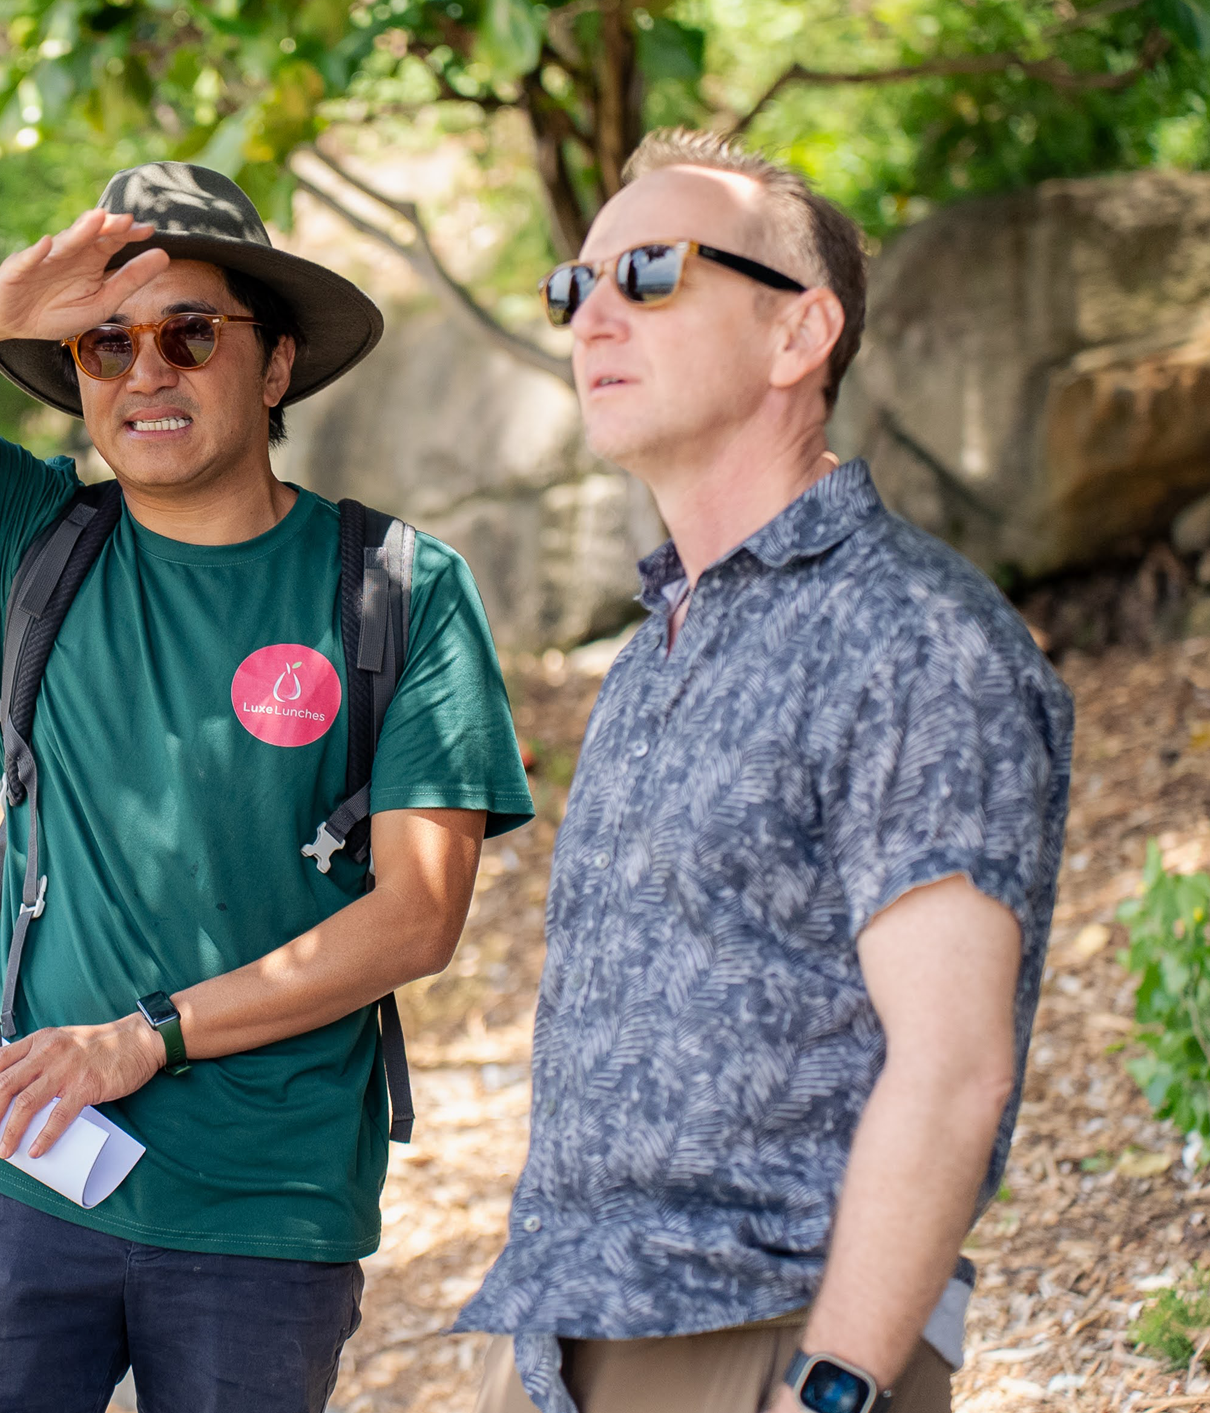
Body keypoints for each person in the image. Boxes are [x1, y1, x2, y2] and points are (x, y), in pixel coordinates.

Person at [0, 162, 535, 1413]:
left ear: (276, 363)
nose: (145, 371)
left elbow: (417, 918)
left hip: (265, 1209)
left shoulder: (398, 590)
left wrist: (143, 1039)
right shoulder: (24, 537)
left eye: (188, 333)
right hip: (25, 1174)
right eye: (105, 343)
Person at [459, 130, 1074, 1413]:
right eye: (573, 287)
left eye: (651, 272)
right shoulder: (657, 647)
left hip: (769, 1342)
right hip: (559, 1339)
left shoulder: (913, 638)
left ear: (800, 334)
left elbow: (952, 1068)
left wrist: (832, 1385)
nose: (593, 317)